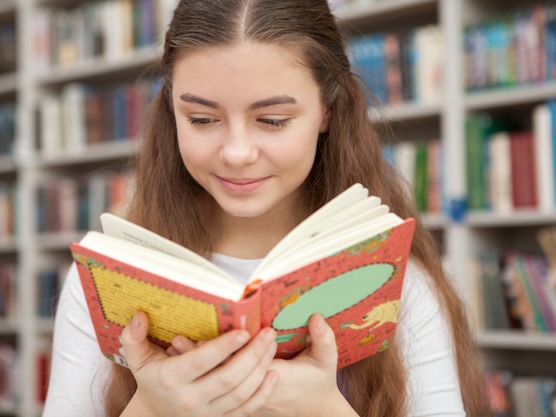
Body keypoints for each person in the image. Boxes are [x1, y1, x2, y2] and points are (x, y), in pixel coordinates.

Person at [43, 0, 492, 416]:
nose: (237, 153)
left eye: (272, 121)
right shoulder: (105, 284)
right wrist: (149, 410)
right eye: (201, 119)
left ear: (328, 112)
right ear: (171, 112)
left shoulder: (401, 284)